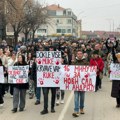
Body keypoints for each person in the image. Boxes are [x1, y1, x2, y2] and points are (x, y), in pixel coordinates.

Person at [72, 50, 89, 117]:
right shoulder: (73, 62)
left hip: (83, 82)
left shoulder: (86, 61)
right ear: (76, 55)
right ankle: (76, 110)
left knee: (82, 97)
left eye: (80, 54)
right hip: (76, 82)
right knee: (76, 97)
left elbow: (89, 69)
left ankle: (81, 108)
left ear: (82, 55)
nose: (79, 55)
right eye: (78, 54)